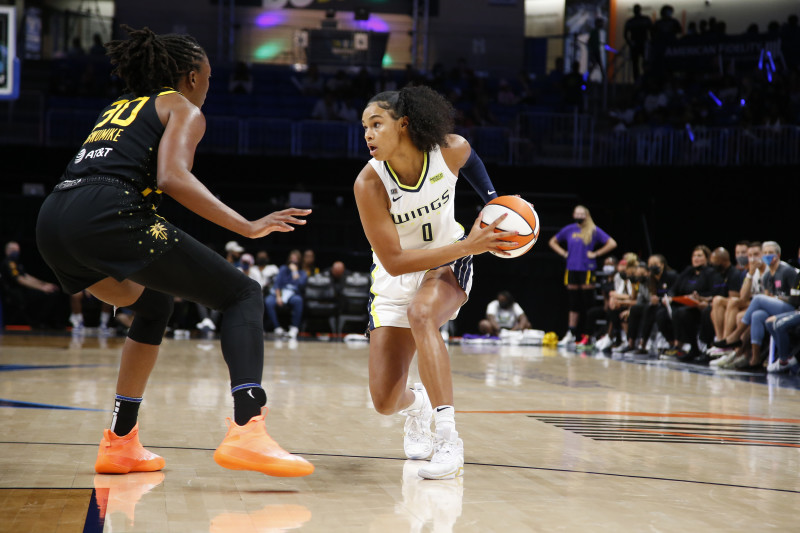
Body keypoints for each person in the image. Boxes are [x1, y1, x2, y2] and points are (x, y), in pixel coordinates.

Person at [34, 26, 313, 477]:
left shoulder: (118, 106)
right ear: (190, 77)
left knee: (154, 304)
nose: (208, 87)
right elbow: (172, 178)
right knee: (242, 293)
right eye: (207, 77)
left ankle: (119, 441)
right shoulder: (180, 106)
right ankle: (249, 427)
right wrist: (245, 225)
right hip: (110, 215)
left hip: (54, 220)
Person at [353, 85, 514, 480]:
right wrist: (471, 243)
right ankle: (416, 406)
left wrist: (495, 205)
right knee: (384, 401)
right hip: (394, 278)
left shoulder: (449, 151)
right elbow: (392, 261)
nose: (368, 134)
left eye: (376, 124)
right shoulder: (369, 185)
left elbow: (473, 161)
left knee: (422, 313)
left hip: (447, 264)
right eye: (364, 128)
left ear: (403, 124)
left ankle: (448, 439)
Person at [548, 205, 617, 347]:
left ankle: (588, 335)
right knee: (573, 302)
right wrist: (564, 253)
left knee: (588, 304)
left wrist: (596, 254)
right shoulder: (569, 229)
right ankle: (571, 333)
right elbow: (552, 241)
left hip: (587, 269)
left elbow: (612, 243)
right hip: (572, 268)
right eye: (577, 213)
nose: (579, 216)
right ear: (573, 214)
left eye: (582, 213)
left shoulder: (593, 229)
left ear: (586, 215)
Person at [1, 241, 63, 328]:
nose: (15, 251)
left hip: (24, 291)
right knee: (48, 295)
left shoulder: (17, 263)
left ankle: (48, 322)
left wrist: (44, 284)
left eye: (17, 249)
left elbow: (26, 276)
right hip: (16, 294)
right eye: (12, 249)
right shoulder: (9, 263)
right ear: (7, 251)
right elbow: (20, 280)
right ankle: (37, 322)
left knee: (53, 291)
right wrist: (42, 288)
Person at [265, 249, 307, 339]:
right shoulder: (283, 269)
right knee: (269, 301)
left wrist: (295, 272)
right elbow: (277, 284)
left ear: (299, 260)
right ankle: (277, 328)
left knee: (298, 300)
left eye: (296, 259)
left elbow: (300, 286)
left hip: (292, 295)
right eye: (292, 258)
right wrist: (278, 297)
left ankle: (294, 328)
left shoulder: (302, 273)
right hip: (280, 293)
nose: (293, 261)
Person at [624, 4, 653, 82]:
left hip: (642, 44)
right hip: (638, 45)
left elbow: (652, 31)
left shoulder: (634, 21)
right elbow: (626, 35)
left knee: (643, 62)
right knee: (637, 64)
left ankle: (644, 79)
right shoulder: (634, 21)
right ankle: (639, 80)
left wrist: (650, 42)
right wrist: (630, 43)